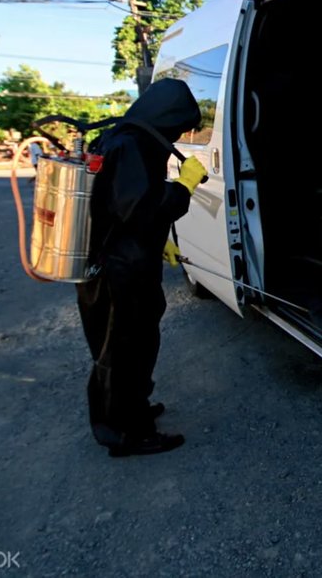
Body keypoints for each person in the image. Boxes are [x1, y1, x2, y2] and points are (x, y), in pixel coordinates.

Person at [76, 78, 207, 457]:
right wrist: (183, 187)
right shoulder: (131, 145)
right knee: (121, 348)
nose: (180, 133)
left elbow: (121, 210)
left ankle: (132, 409)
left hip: (126, 260)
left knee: (137, 341)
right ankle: (124, 433)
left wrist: (159, 240)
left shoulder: (127, 139)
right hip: (118, 273)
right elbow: (144, 209)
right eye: (180, 125)